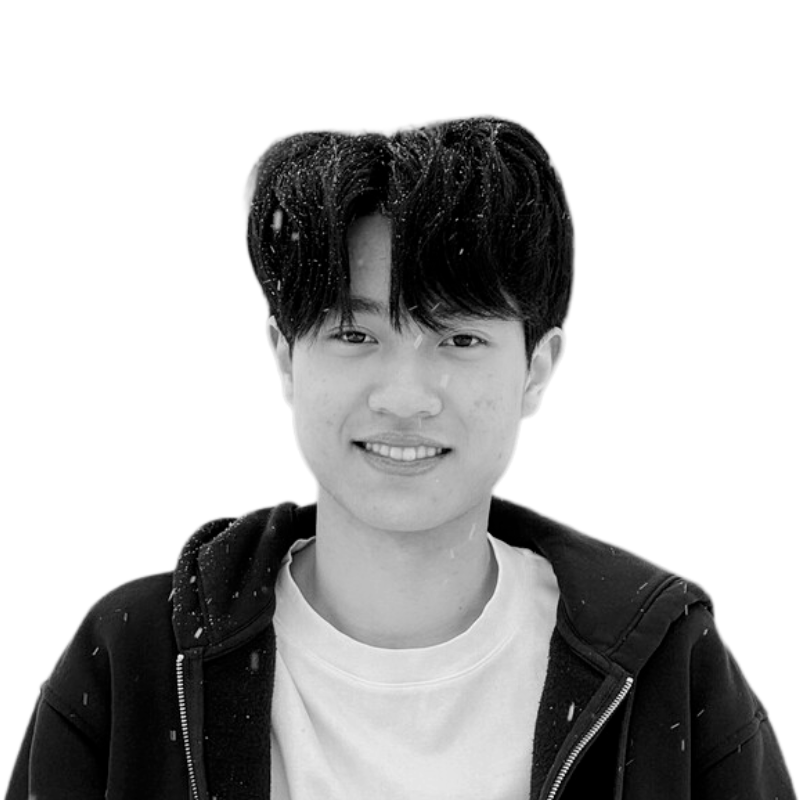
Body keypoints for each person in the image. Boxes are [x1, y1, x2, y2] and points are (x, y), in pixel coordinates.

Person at [5, 115, 794, 799]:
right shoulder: (133, 662)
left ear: (537, 370)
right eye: (355, 333)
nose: (406, 396)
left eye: (460, 338)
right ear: (284, 358)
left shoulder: (665, 665)